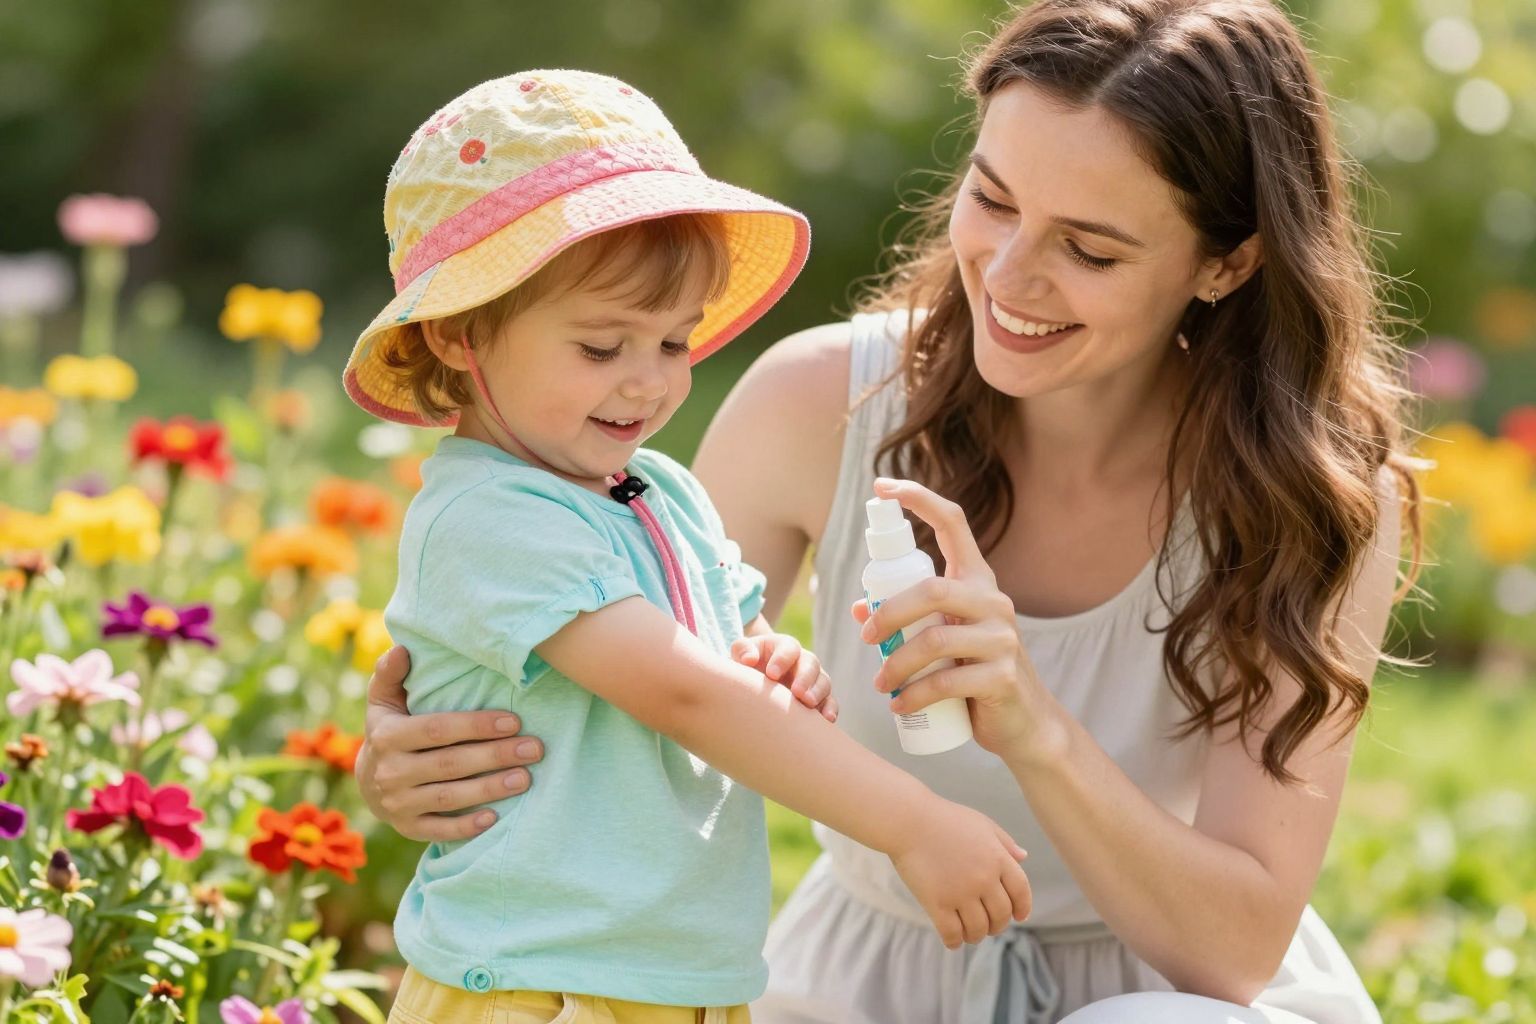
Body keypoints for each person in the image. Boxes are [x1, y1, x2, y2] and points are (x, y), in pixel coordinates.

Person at [354, 3, 1425, 1021]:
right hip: (868, 975)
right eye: (994, 198)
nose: (1008, 274)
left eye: (1089, 249)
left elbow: (1233, 951)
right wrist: (425, 751)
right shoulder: (820, 403)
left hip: (1173, 993)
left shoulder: (1313, 500)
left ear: (1227, 262)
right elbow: (668, 686)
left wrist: (1031, 725)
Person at [345, 70, 1033, 1024]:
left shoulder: (658, 490)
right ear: (462, 335)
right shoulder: (489, 517)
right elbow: (682, 694)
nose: (647, 384)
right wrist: (909, 822)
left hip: (672, 979)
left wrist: (768, 657)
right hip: (537, 982)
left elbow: (716, 658)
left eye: (673, 344)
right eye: (601, 347)